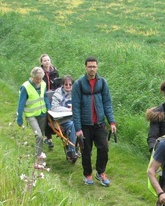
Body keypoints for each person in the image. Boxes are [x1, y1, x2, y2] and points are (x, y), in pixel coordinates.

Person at [72, 56, 116, 187]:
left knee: (104, 148)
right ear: (85, 67)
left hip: (99, 124)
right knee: (86, 151)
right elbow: (76, 107)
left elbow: (107, 103)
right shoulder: (78, 84)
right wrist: (78, 128)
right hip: (85, 125)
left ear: (97, 67)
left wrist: (112, 122)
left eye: (94, 66)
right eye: (89, 66)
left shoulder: (102, 82)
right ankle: (87, 175)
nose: (92, 69)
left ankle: (100, 172)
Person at [16, 67, 51, 162]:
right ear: (32, 76)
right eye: (37, 78)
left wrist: (48, 106)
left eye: (40, 78)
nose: (39, 80)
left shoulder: (43, 84)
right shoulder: (25, 87)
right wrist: (19, 117)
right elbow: (21, 103)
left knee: (40, 136)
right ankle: (39, 159)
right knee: (39, 135)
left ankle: (39, 155)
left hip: (42, 113)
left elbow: (44, 96)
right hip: (31, 114)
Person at [49, 75, 78, 162]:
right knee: (72, 125)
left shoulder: (75, 93)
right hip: (62, 119)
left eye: (70, 84)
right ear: (63, 85)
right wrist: (68, 109)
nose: (68, 86)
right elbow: (54, 107)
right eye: (66, 84)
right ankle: (72, 150)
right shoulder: (57, 95)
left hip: (74, 116)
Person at [40, 54, 60, 149]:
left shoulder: (55, 72)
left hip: (53, 96)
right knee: (46, 116)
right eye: (44, 61)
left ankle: (58, 131)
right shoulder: (39, 73)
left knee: (53, 116)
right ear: (41, 63)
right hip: (43, 97)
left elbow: (58, 84)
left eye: (48, 60)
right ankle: (49, 138)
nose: (47, 62)